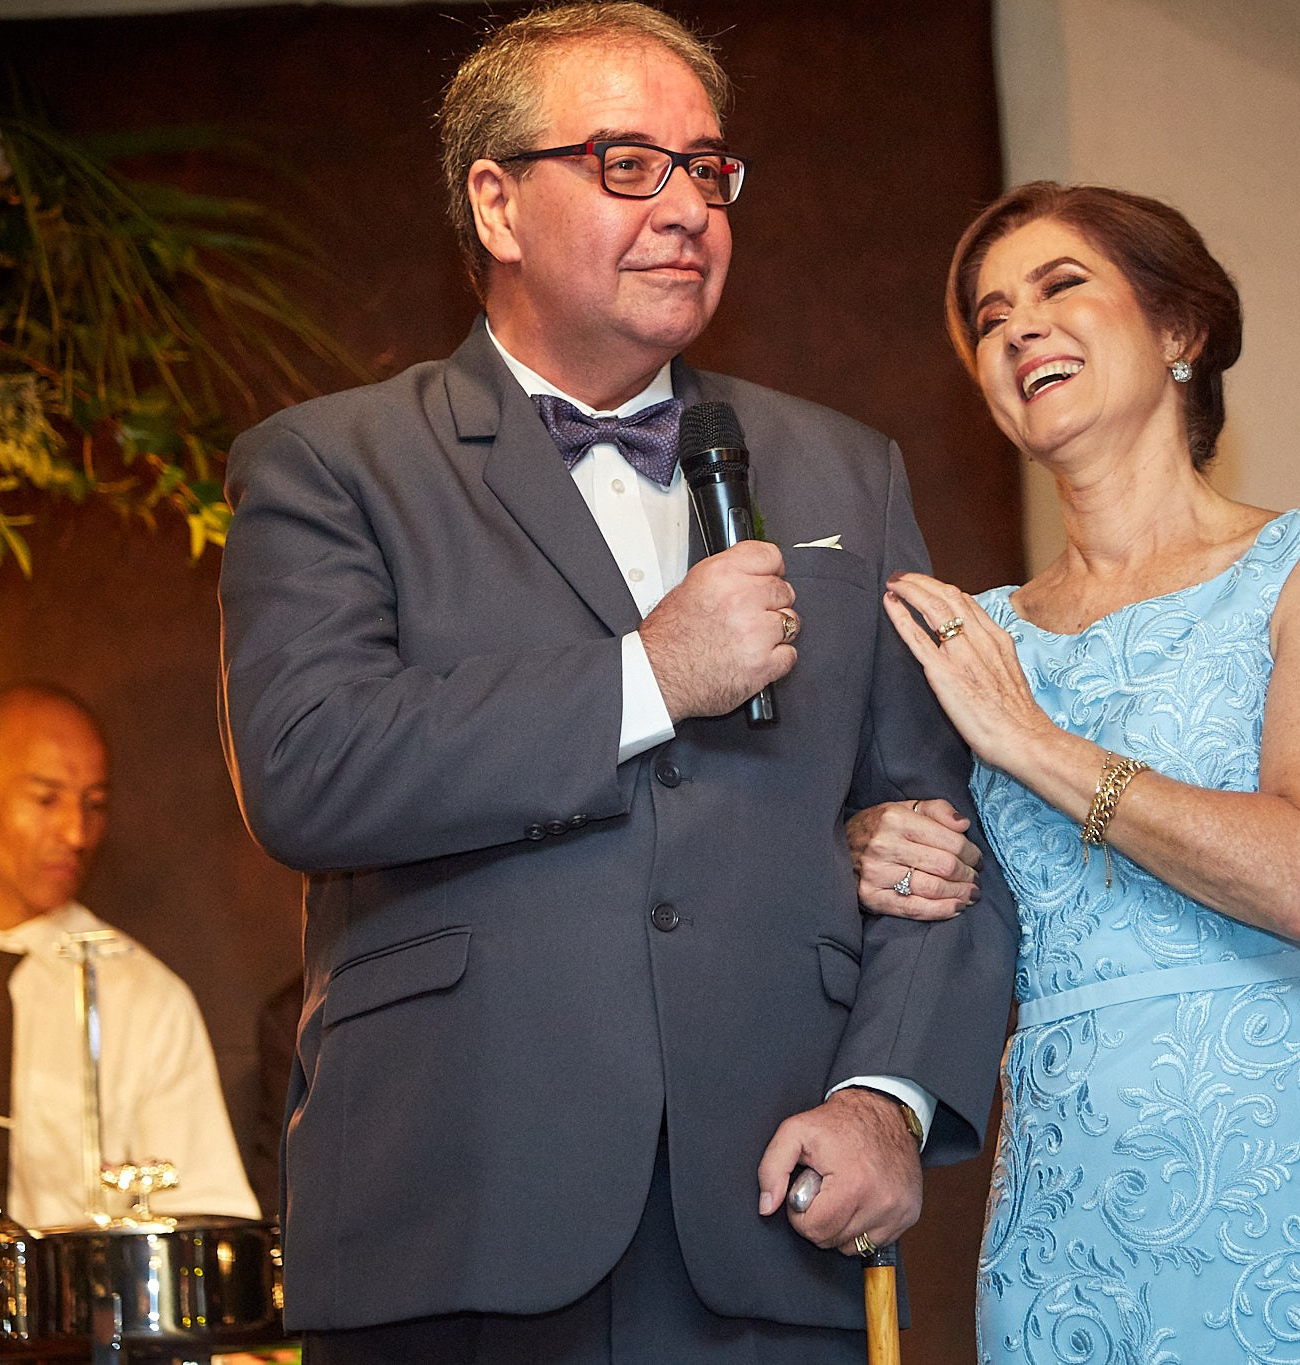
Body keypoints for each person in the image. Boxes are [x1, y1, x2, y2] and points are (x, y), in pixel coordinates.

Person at [214, 4, 1015, 1361]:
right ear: (497, 201)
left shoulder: (841, 472)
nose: (690, 206)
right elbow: (308, 763)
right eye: (629, 163)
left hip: (765, 1210)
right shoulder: (329, 462)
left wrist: (888, 1097)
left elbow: (938, 836)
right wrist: (651, 675)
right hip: (452, 1210)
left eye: (708, 169)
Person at [847, 182, 1300, 1363]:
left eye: (1060, 287)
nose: (1018, 329)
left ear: (1180, 330)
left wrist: (1033, 742)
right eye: (989, 319)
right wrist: (864, 853)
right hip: (1070, 1211)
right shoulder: (974, 638)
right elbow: (941, 916)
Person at [0, 684, 257, 1365]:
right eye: (44, 798)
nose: (76, 832)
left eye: (94, 804)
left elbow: (204, 1228)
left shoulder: (146, 995)